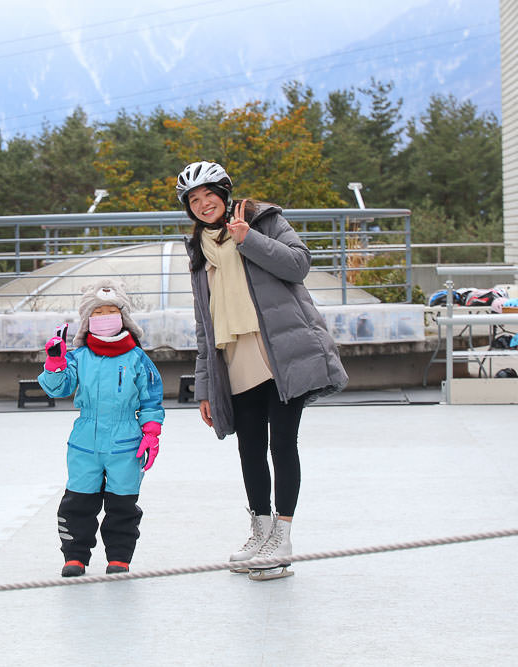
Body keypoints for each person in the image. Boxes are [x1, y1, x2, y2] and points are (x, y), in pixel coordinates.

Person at [176, 161, 348, 581]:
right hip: (234, 358)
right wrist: (204, 387)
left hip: (280, 353)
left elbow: (299, 265)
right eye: (194, 201)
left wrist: (248, 239)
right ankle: (261, 532)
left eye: (208, 196)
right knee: (249, 447)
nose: (203, 205)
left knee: (281, 443)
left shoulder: (264, 221)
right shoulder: (199, 250)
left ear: (224, 192)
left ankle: (282, 540)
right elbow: (204, 323)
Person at [38, 278, 165, 577]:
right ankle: (75, 556)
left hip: (125, 439)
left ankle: (119, 557)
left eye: (110, 310)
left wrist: (151, 432)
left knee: (123, 502)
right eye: (97, 312)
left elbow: (151, 397)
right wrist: (55, 363)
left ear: (123, 317)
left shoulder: (137, 358)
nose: (104, 317)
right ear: (86, 319)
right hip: (86, 438)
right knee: (78, 499)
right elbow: (58, 388)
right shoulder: (78, 356)